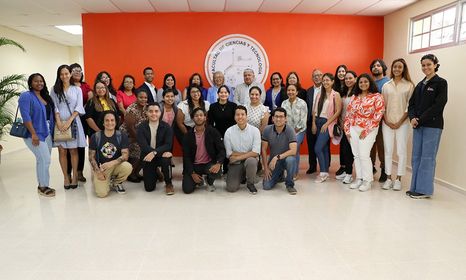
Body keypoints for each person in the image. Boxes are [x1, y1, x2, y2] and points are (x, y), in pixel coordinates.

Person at [407, 54, 447, 199]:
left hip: (432, 126)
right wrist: (412, 118)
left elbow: (438, 105)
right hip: (417, 125)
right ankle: (415, 187)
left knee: (427, 158)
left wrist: (420, 119)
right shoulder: (420, 84)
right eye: (423, 65)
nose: (426, 67)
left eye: (429, 64)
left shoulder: (441, 83)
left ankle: (424, 190)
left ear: (435, 64)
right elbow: (411, 104)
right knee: (416, 156)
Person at [344, 73, 385, 192]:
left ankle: (368, 181)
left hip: (369, 129)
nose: (363, 84)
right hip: (353, 128)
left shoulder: (377, 97)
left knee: (364, 155)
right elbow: (349, 114)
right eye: (361, 82)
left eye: (365, 81)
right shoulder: (354, 96)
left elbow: (378, 115)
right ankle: (359, 178)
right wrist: (347, 130)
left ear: (370, 82)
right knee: (356, 155)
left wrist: (366, 130)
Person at [50, 64, 87, 190]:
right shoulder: (54, 89)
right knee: (62, 151)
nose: (64, 76)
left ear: (70, 74)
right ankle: (66, 177)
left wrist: (69, 121)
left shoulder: (77, 89)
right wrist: (59, 122)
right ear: (59, 76)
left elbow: (79, 106)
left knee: (73, 150)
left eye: (66, 73)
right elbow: (54, 106)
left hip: (74, 121)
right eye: (62, 74)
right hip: (59, 122)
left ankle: (75, 176)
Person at [18, 73, 56, 197]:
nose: (39, 83)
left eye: (41, 81)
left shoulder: (46, 97)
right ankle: (42, 186)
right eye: (36, 81)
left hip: (47, 133)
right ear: (30, 83)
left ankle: (44, 184)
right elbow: (26, 116)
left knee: (44, 160)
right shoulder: (26, 96)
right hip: (34, 133)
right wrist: (33, 133)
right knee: (44, 159)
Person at [381, 58, 414, 191]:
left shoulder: (409, 85)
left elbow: (409, 106)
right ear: (392, 68)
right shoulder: (386, 85)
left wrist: (399, 122)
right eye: (395, 67)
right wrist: (387, 121)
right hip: (387, 123)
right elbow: (382, 105)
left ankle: (398, 179)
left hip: (403, 123)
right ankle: (388, 178)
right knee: (388, 151)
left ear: (404, 69)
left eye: (400, 67)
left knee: (401, 151)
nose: (397, 69)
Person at [182, 108, 225, 194]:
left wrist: (218, 163)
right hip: (194, 165)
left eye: (201, 115)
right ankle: (199, 180)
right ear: (193, 118)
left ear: (205, 117)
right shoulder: (188, 135)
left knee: (217, 171)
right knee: (187, 190)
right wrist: (192, 173)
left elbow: (222, 150)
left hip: (208, 164)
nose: (199, 117)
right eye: (196, 116)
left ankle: (209, 181)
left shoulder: (213, 131)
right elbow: (186, 156)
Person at [89, 111, 132, 197]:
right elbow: (91, 157)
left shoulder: (121, 135)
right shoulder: (96, 137)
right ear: (103, 123)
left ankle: (116, 183)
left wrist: (111, 163)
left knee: (127, 167)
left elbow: (125, 155)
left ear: (116, 122)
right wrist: (97, 172)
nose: (110, 123)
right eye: (107, 120)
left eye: (112, 120)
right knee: (101, 194)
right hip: (102, 168)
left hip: (116, 165)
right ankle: (103, 181)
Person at [137, 103, 175, 195]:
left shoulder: (166, 127)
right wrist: (153, 153)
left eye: (156, 111)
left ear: (160, 112)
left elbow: (168, 145)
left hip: (161, 155)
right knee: (149, 188)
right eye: (151, 111)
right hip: (147, 156)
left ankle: (169, 183)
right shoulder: (141, 127)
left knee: (166, 159)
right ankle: (157, 173)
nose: (153, 114)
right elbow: (143, 145)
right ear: (146, 113)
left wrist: (154, 153)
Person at [312, 73, 342, 183]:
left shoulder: (336, 95)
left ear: (332, 81)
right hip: (318, 121)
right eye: (323, 80)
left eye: (327, 80)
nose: (325, 82)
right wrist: (314, 124)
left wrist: (327, 123)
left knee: (317, 148)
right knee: (323, 148)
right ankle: (325, 172)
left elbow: (338, 111)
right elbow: (314, 110)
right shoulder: (320, 93)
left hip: (327, 123)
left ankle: (323, 173)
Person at [224, 106, 261, 194]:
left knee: (251, 161)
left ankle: (250, 183)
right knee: (231, 188)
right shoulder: (229, 132)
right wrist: (249, 153)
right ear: (234, 117)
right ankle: (243, 176)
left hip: (249, 161)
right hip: (236, 163)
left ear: (246, 116)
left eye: (242, 114)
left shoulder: (255, 131)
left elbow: (255, 153)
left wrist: (237, 157)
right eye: (237, 115)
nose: (240, 117)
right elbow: (229, 154)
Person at [261, 108, 298, 195]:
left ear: (285, 119)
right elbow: (263, 149)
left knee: (291, 160)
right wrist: (265, 168)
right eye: (276, 116)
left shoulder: (290, 130)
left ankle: (289, 184)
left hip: (285, 160)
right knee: (266, 186)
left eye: (281, 117)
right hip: (274, 163)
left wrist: (277, 157)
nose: (278, 119)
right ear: (272, 118)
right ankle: (279, 175)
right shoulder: (267, 130)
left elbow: (293, 151)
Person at [67, 63, 92, 183]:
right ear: (70, 72)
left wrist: (81, 108)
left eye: (80, 70)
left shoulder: (85, 86)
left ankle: (79, 172)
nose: (78, 72)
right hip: (69, 119)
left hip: (83, 118)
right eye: (75, 70)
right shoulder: (67, 85)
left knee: (81, 146)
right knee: (70, 146)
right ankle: (69, 172)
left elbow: (91, 99)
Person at [119, 89, 148, 182]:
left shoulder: (146, 107)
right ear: (136, 98)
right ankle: (131, 174)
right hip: (128, 135)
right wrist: (140, 140)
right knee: (140, 149)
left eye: (145, 98)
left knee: (146, 149)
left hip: (139, 134)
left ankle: (136, 172)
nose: (143, 99)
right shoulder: (131, 109)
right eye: (141, 97)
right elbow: (130, 128)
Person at [208, 85, 237, 174]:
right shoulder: (213, 106)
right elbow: (210, 123)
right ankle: (219, 168)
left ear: (228, 94)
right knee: (220, 151)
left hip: (231, 133)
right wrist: (215, 135)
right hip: (217, 133)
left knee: (229, 151)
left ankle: (228, 170)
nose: (223, 94)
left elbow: (235, 122)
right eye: (221, 92)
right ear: (218, 94)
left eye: (225, 92)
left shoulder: (233, 106)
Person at [281, 84, 308, 180]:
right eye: (289, 90)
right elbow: (282, 118)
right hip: (287, 130)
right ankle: (286, 170)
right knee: (288, 150)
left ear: (297, 92)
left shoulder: (302, 103)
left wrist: (296, 128)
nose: (290, 92)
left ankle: (294, 172)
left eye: (293, 90)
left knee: (294, 149)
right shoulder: (284, 103)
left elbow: (303, 119)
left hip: (299, 130)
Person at [370, 59, 390, 182]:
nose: (376, 68)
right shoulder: (369, 82)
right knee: (370, 145)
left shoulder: (387, 82)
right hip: (369, 121)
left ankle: (384, 170)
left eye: (378, 65)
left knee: (382, 146)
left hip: (382, 120)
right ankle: (371, 167)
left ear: (383, 68)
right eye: (373, 66)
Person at [337, 71, 357, 184]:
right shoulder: (344, 92)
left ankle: (351, 174)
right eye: (346, 79)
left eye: (350, 78)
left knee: (352, 151)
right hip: (344, 126)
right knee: (345, 150)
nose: (348, 80)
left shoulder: (358, 93)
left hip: (354, 127)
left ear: (355, 78)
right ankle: (348, 172)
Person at [305, 69, 322, 174]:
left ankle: (325, 166)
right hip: (310, 120)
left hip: (323, 120)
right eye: (315, 76)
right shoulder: (309, 91)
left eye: (319, 75)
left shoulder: (327, 89)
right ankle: (312, 166)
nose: (317, 77)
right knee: (311, 145)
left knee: (323, 145)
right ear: (312, 78)